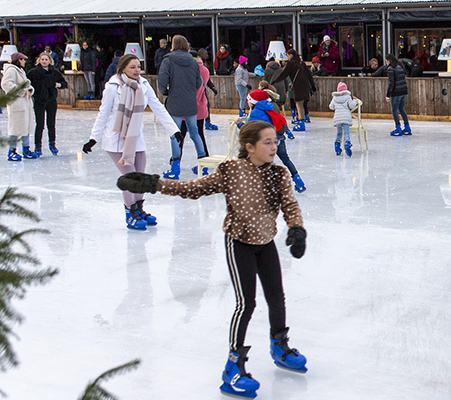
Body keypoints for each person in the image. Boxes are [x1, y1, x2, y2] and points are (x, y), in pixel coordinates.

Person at [114, 120, 309, 398]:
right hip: (239, 242)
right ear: (249, 147)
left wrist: (297, 228)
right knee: (247, 303)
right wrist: (155, 184)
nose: (274, 146)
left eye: (275, 141)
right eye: (267, 142)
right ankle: (233, 367)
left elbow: (290, 204)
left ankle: (279, 345)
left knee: (276, 297)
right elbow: (193, 189)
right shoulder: (231, 171)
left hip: (265, 242)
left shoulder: (278, 174)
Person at [83, 54, 181, 229]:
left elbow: (158, 107)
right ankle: (130, 213)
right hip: (116, 138)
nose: (137, 70)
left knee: (141, 176)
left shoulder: (143, 85)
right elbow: (103, 114)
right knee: (130, 177)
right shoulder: (112, 87)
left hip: (136, 137)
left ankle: (139, 209)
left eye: (138, 66)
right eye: (132, 67)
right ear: (122, 69)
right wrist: (93, 138)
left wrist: (174, 130)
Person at [234, 90, 307, 193]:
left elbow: (248, 129)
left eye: (249, 100)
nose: (247, 102)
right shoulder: (269, 108)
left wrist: (239, 123)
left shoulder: (256, 112)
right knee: (286, 160)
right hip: (279, 139)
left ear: (254, 102)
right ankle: (298, 180)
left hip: (267, 143)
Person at [157, 35, 206, 180]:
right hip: (190, 101)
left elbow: (162, 80)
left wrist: (166, 92)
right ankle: (202, 165)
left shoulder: (168, 60)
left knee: (175, 133)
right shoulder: (193, 62)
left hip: (175, 101)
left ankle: (175, 167)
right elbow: (199, 83)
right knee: (194, 132)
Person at [27, 52, 68, 156]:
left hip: (51, 101)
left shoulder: (54, 72)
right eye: (42, 59)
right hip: (39, 101)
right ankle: (38, 145)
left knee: (51, 124)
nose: (44, 61)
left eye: (46, 59)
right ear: (39, 61)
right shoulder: (33, 72)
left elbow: (64, 84)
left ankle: (52, 144)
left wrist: (58, 85)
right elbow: (26, 84)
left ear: (50, 61)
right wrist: (29, 92)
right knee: (40, 124)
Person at [3, 52, 37, 161]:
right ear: (18, 60)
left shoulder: (20, 71)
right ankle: (12, 151)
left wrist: (30, 89)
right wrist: (22, 92)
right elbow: (6, 84)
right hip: (17, 104)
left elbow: (26, 84)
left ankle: (26, 149)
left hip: (24, 104)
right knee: (15, 128)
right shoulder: (12, 70)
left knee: (25, 127)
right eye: (23, 59)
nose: (25, 61)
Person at [271, 49, 315, 132]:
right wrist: (312, 86)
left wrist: (275, 81)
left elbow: (284, 74)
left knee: (299, 104)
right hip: (305, 85)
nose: (287, 57)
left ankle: (301, 122)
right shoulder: (301, 63)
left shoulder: (291, 63)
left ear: (291, 55)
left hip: (298, 86)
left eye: (287, 55)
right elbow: (309, 75)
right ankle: (300, 120)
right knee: (301, 103)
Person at [329, 81, 359, 157]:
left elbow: (331, 107)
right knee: (346, 133)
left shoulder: (335, 98)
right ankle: (347, 144)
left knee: (339, 133)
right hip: (346, 118)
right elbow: (351, 106)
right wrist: (354, 100)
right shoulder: (347, 97)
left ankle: (337, 145)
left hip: (338, 118)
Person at [385, 54, 411, 136]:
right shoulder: (400, 67)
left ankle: (398, 128)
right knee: (402, 109)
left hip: (396, 93)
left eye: (386, 60)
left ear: (388, 60)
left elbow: (391, 83)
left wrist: (388, 95)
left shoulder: (391, 69)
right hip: (404, 91)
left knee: (394, 110)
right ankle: (407, 127)